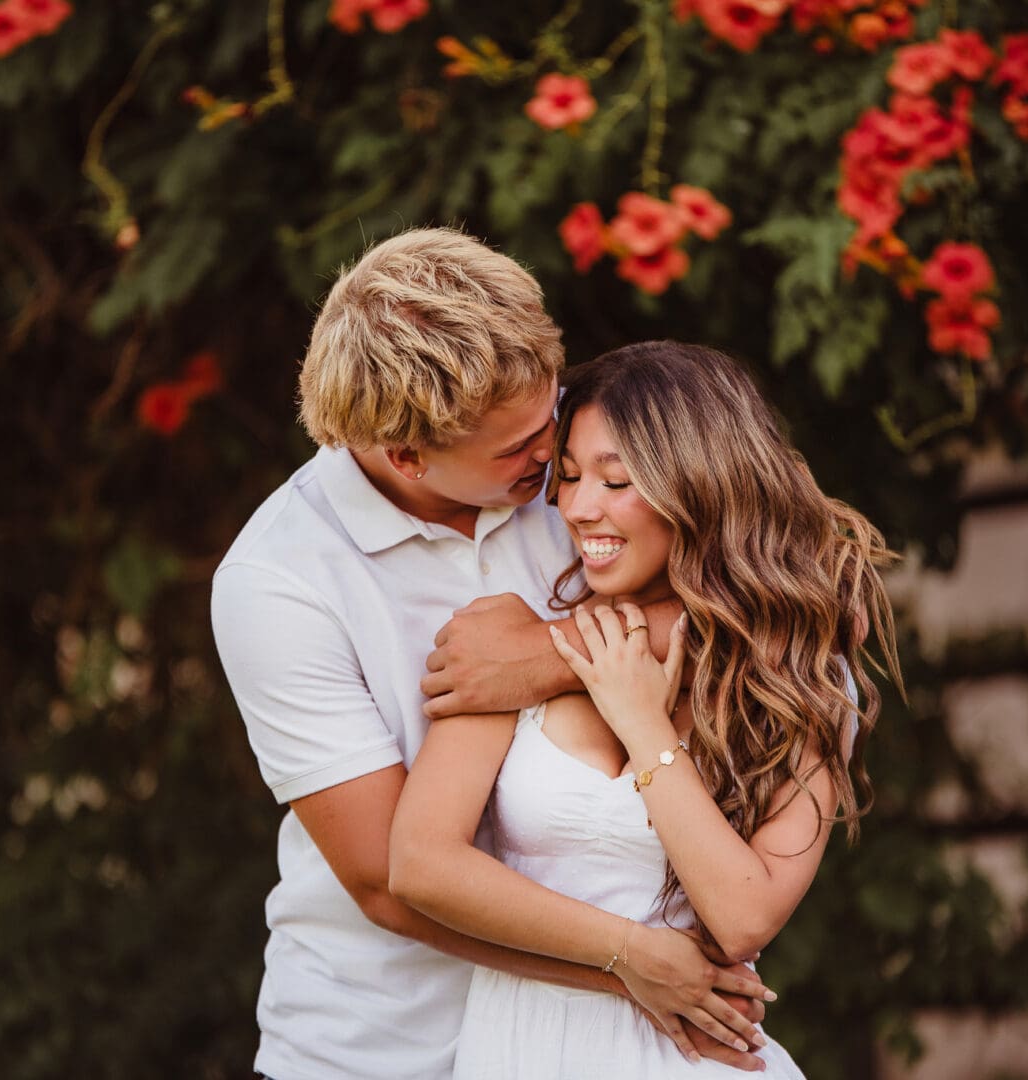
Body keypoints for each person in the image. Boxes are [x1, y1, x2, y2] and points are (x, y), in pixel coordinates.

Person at [212, 230, 768, 1080]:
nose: (551, 457)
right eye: (518, 450)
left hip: (580, 1052)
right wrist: (627, 965)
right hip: (377, 1049)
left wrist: (547, 656)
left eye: (548, 415)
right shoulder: (278, 582)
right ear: (406, 455)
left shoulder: (576, 475)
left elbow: (750, 592)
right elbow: (386, 883)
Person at [389, 341, 901, 1078]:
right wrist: (624, 958)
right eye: (566, 479)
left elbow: (744, 915)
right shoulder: (513, 645)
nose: (578, 507)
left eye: (616, 480)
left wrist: (641, 722)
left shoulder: (797, 680)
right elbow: (419, 865)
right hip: (522, 1051)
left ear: (699, 483)